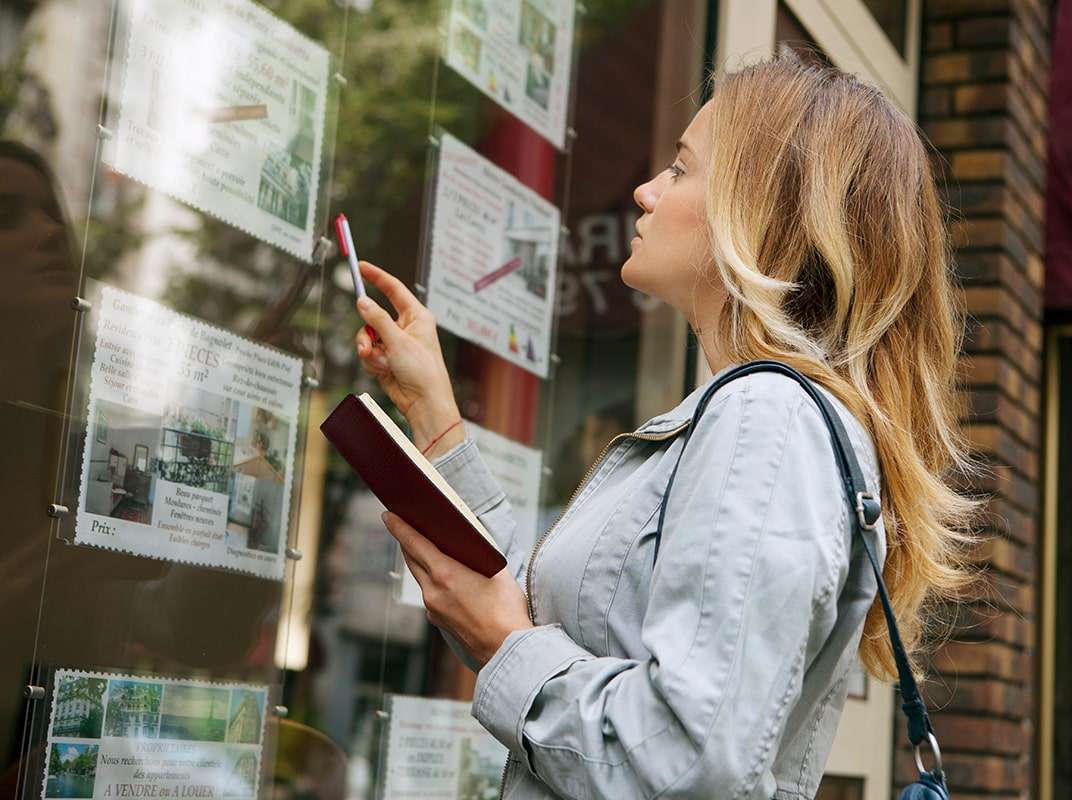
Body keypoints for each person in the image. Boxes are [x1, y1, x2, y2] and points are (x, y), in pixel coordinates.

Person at [352, 56, 976, 799]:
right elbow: (537, 622)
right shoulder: (742, 415)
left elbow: (686, 759)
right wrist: (435, 414)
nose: (646, 192)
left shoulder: (766, 421)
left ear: (760, 213)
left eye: (681, 169)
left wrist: (506, 645)